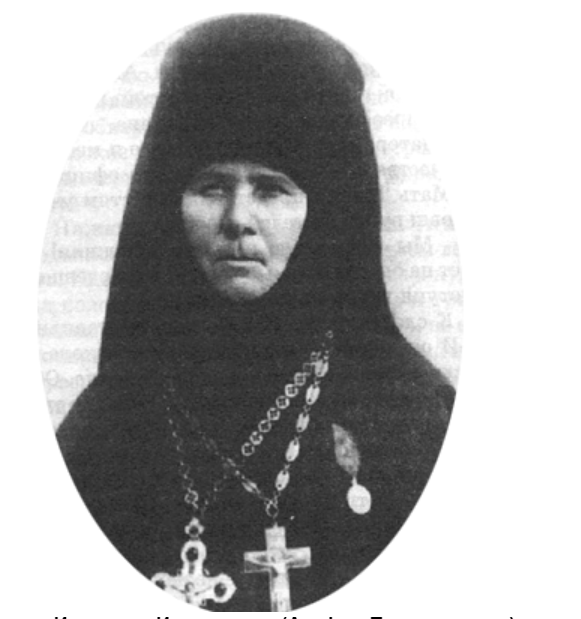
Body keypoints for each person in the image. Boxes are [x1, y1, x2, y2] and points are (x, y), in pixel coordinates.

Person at [56, 14, 455, 612]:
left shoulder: (410, 416)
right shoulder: (108, 425)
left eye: (271, 189)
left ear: (324, 211)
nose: (238, 219)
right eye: (212, 186)